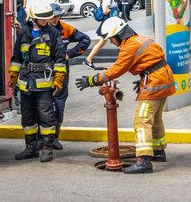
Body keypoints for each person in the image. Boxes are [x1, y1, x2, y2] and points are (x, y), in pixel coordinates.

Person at [75, 17, 176, 174]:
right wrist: (144, 76)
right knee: (155, 118)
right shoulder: (140, 38)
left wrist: (92, 80)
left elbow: (117, 70)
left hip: (154, 81)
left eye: (111, 39)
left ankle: (144, 161)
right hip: (162, 77)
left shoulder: (129, 47)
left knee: (142, 121)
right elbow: (153, 60)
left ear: (118, 35)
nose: (111, 43)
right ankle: (158, 151)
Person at [9, 0, 68, 163]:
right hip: (26, 83)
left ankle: (47, 149)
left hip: (44, 84)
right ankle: (31, 148)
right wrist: (13, 77)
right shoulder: (24, 33)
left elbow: (60, 59)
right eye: (42, 18)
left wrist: (58, 80)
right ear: (33, 18)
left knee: (46, 117)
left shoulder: (53, 33)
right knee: (27, 118)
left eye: (47, 18)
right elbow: (16, 58)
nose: (46, 21)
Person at [45, 3, 90, 150]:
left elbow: (85, 40)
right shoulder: (40, 30)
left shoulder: (65, 29)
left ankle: (54, 138)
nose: (55, 19)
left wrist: (70, 54)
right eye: (52, 17)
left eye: (57, 16)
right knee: (43, 104)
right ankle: (43, 139)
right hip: (43, 71)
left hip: (61, 70)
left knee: (59, 103)